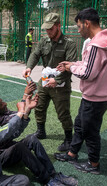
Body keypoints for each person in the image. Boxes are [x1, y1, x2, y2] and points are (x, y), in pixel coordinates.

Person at [55, 8, 107, 175]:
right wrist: (73, 63)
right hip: (96, 95)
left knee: (90, 132)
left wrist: (70, 68)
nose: (79, 30)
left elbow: (88, 73)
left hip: (96, 97)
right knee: (80, 125)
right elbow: (88, 65)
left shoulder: (96, 44)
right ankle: (72, 154)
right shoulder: (105, 39)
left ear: (86, 23)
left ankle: (93, 164)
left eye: (79, 27)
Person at [0, 84, 78, 186]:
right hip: (1, 157)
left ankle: (53, 174)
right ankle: (47, 180)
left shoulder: (3, 112)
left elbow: (19, 120)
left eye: (3, 101)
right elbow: (17, 119)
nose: (5, 104)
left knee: (31, 138)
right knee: (19, 147)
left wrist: (27, 106)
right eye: (1, 104)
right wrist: (25, 98)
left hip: (9, 147)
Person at [22, 13, 78, 151]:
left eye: (51, 29)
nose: (48, 32)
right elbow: (35, 54)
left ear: (59, 26)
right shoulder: (44, 41)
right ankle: (40, 131)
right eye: (46, 29)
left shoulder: (69, 44)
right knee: (39, 106)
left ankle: (69, 139)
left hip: (61, 83)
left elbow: (70, 67)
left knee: (63, 112)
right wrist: (29, 67)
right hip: (45, 81)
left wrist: (57, 79)